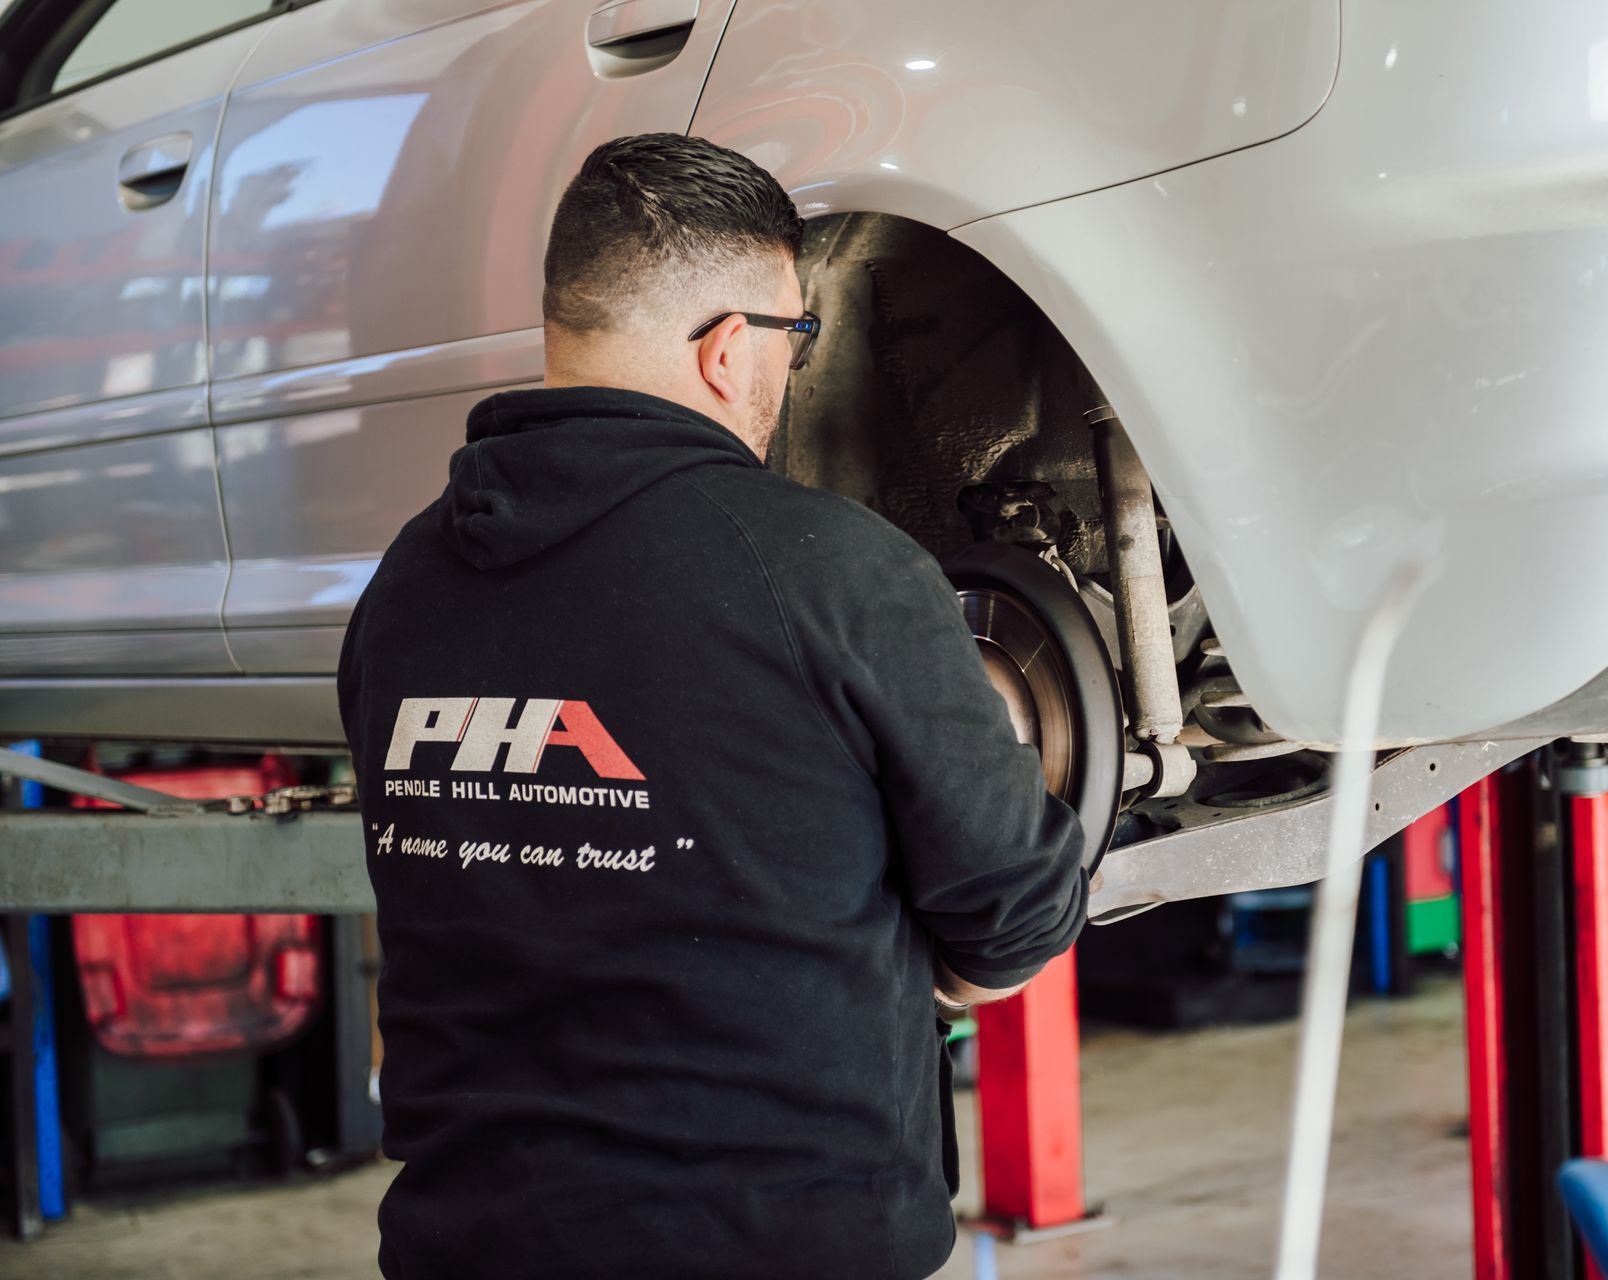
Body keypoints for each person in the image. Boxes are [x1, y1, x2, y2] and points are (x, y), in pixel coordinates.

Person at [336, 133, 1088, 1280]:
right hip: (782, 1245)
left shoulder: (403, 588)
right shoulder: (838, 573)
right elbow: (1018, 916)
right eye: (797, 334)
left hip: (469, 1243)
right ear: (729, 347)